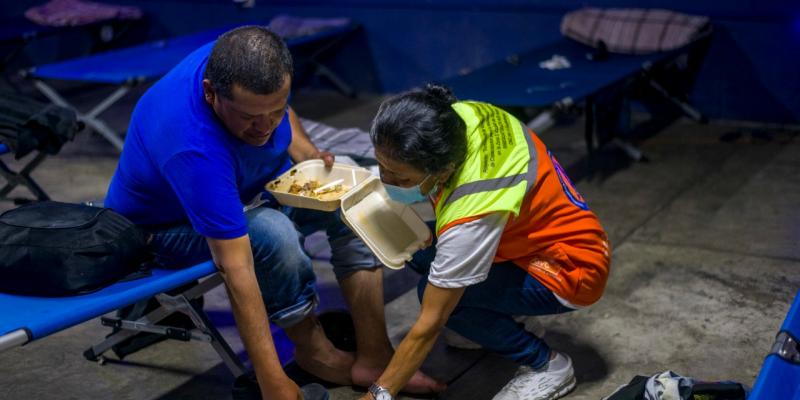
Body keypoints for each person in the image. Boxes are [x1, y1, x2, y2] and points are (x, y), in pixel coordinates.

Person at [104, 26, 444, 400]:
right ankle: (314, 351)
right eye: (250, 117)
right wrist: (272, 382)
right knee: (272, 232)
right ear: (210, 93)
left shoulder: (243, 61)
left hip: (243, 189)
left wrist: (306, 152)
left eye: (276, 111)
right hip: (160, 230)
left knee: (351, 196)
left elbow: (273, 108)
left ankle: (375, 356)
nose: (265, 127)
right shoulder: (192, 148)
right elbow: (236, 268)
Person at [361, 84, 611, 400]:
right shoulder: (461, 116)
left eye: (402, 178)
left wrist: (378, 394)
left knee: (441, 301)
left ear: (444, 170)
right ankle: (505, 319)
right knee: (414, 243)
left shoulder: (471, 210)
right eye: (383, 167)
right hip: (530, 238)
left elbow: (429, 324)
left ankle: (547, 365)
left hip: (569, 269)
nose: (387, 181)